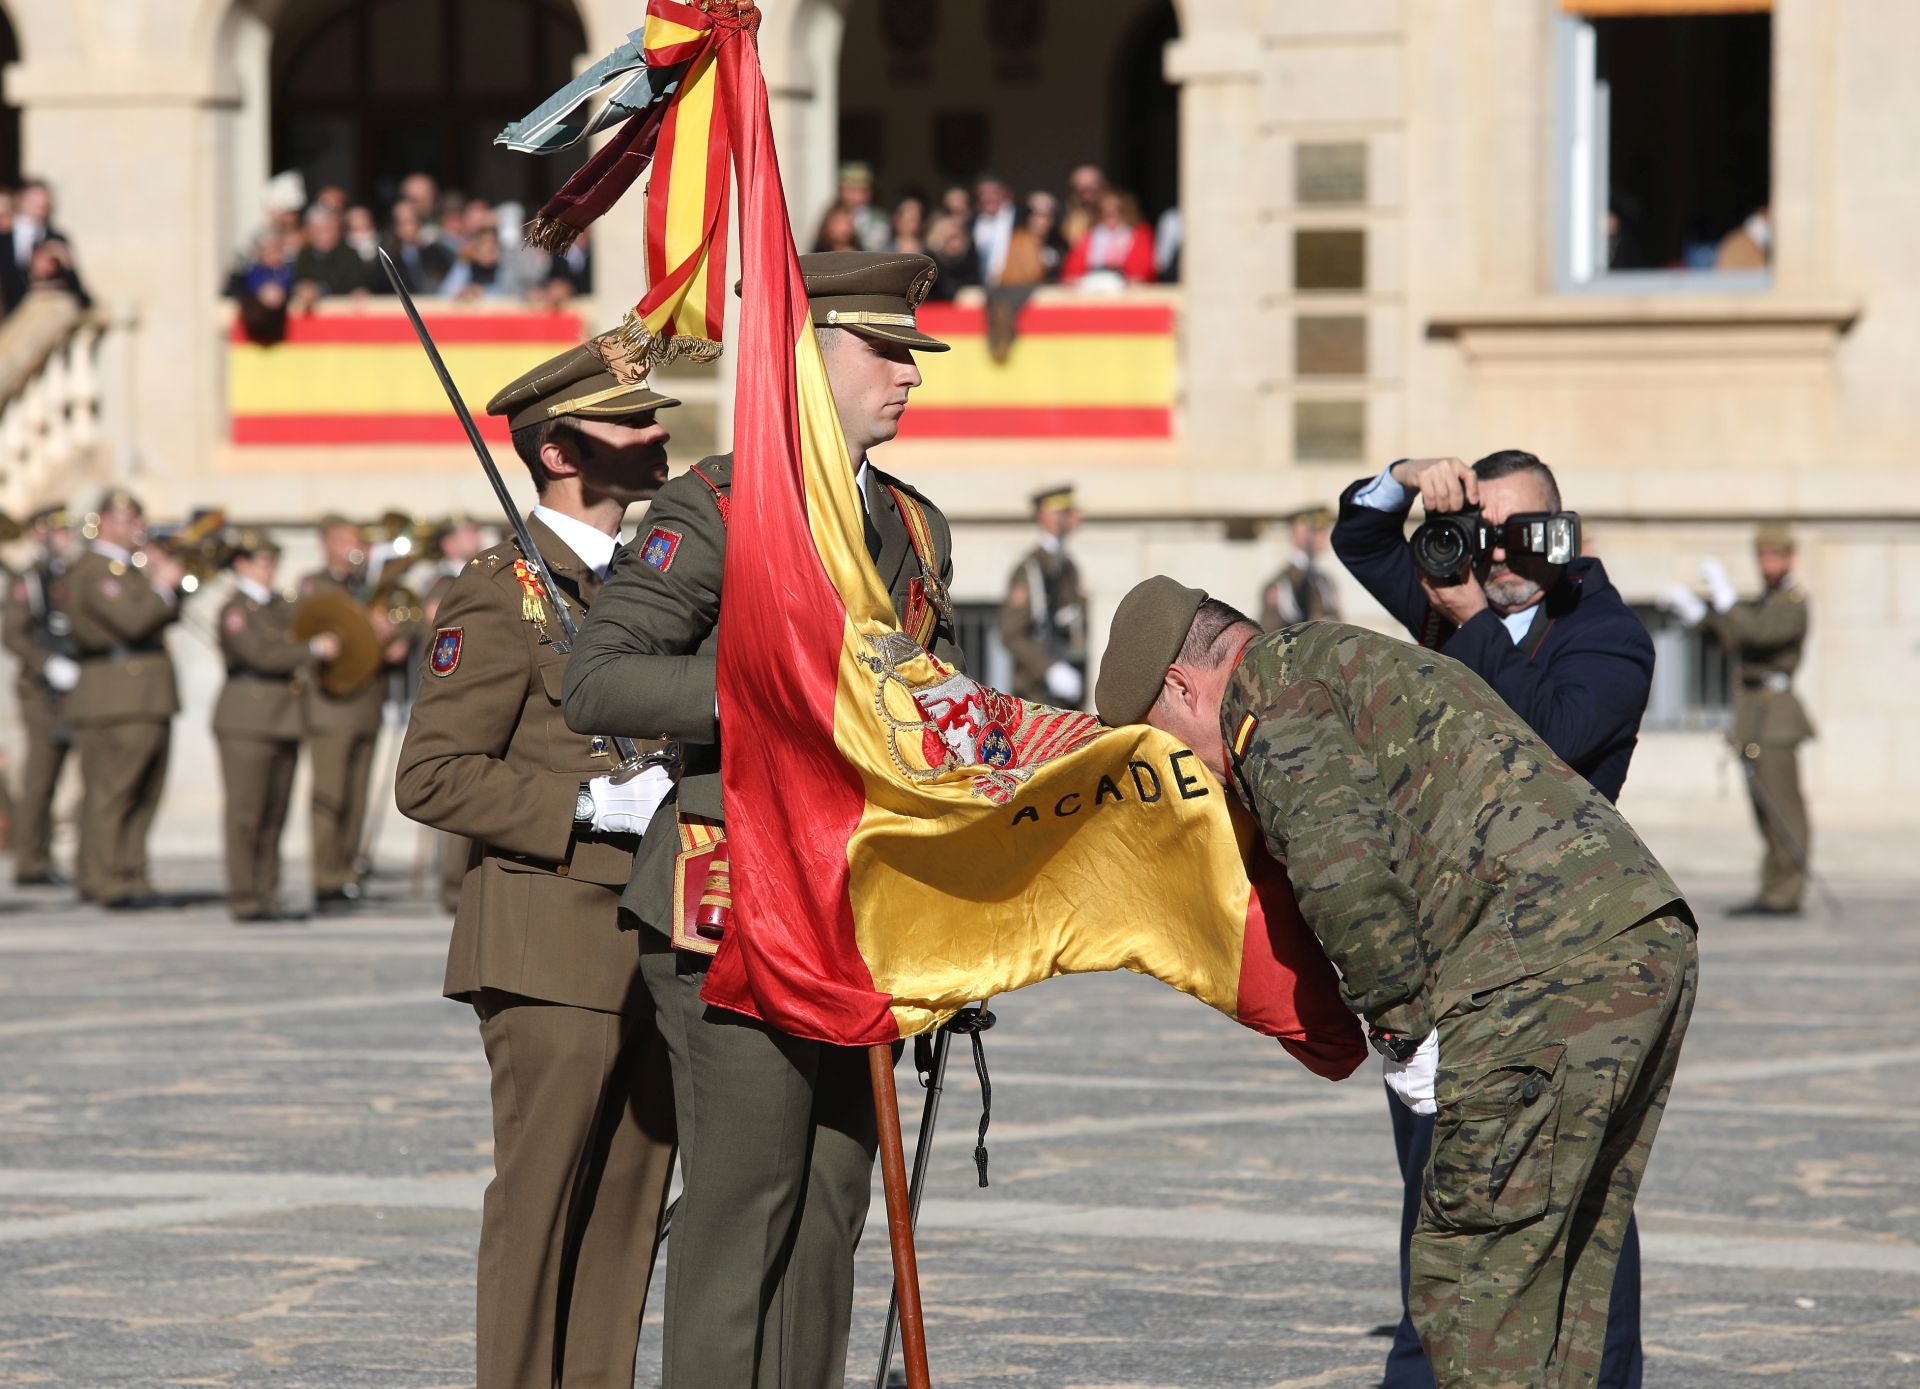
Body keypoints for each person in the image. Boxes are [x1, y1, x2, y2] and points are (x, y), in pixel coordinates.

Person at [1095, 584, 1697, 1389]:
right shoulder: (1337, 658)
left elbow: (1340, 872)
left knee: (1471, 1292)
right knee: (1558, 1285)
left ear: (1180, 685)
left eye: (1165, 740)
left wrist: (1405, 1029)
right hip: (1637, 939)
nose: (1190, 769)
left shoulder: (1268, 706)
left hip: (1536, 977)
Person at [563, 251, 960, 1389]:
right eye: (886, 353)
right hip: (732, 901)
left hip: (859, 912)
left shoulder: (915, 528)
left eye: (911, 355)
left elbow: (936, 711)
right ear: (806, 358)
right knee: (747, 1201)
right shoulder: (718, 504)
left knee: (832, 1200)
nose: (910, 378)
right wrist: (786, 684)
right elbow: (603, 680)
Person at [1332, 451, 1656, 1389]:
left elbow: (1545, 740)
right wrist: (1407, 478)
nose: (1499, 553)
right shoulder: (1453, 587)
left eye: (1523, 532)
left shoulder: (1605, 634)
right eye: (1484, 529)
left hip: (1566, 962)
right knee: (1440, 1195)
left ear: (1562, 533)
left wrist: (1472, 617)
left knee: (1581, 1196)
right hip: (1448, 962)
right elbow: (1358, 532)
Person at [395, 332, 683, 1389]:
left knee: (626, 1214)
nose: (661, 434)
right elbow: (429, 775)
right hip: (549, 942)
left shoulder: (656, 584)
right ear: (561, 451)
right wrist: (586, 802)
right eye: (634, 422)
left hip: (659, 929)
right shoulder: (496, 592)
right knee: (541, 1208)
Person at [1662, 523, 1813, 915]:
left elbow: (1759, 635)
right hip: (1756, 713)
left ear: (1789, 558)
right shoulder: (1768, 598)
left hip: (1776, 714)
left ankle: (1788, 889)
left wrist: (1726, 600)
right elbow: (1736, 638)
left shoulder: (1793, 602)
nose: (1767, 563)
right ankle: (1773, 886)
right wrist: (1703, 616)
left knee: (1782, 805)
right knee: (1764, 806)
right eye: (1762, 555)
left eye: (1774, 555)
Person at [58, 489, 186, 909]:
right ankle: (105, 877)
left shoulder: (125, 569)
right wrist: (163, 586)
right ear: (107, 522)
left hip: (143, 694)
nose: (138, 529)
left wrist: (164, 586)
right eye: (129, 520)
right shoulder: (95, 569)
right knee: (112, 792)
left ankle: (131, 871)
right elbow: (132, 622)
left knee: (144, 792)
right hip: (117, 695)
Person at [214, 529, 331, 924]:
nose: (269, 569)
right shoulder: (235, 609)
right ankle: (244, 895)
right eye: (262, 562)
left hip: (283, 718)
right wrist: (311, 650)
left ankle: (267, 891)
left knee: (274, 814)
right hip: (248, 718)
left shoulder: (280, 605)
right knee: (246, 814)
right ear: (241, 565)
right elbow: (261, 655)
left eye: (272, 562)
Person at [299, 515, 410, 912]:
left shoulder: (367, 587)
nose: (355, 547)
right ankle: (325, 877)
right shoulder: (317, 585)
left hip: (366, 705)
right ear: (325, 544)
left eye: (357, 540)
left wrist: (394, 640)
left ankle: (347, 873)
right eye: (345, 540)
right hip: (332, 706)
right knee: (331, 796)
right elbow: (325, 626)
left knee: (357, 797)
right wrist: (370, 627)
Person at [2, 504, 80, 886]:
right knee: (41, 775)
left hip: (78, 684)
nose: (66, 539)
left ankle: (54, 855)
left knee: (75, 775)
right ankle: (31, 859)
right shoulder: (29, 580)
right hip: (40, 689)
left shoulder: (70, 575)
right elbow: (13, 632)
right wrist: (45, 663)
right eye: (58, 532)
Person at [421, 517, 488, 914]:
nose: (477, 538)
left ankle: (460, 886)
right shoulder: (444, 583)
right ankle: (451, 890)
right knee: (456, 799)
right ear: (448, 543)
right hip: (455, 698)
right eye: (467, 533)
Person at [999, 484, 1087, 706]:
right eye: (1065, 512)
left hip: (1065, 695)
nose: (1074, 517)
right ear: (1046, 517)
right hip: (1034, 695)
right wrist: (1049, 669)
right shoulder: (1030, 569)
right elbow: (1011, 633)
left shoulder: (1068, 567)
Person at [1259, 507, 1340, 630]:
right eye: (1316, 530)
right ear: (1297, 532)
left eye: (1324, 530)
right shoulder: (1281, 584)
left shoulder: (1325, 581)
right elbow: (1269, 634)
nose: (1324, 535)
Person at [1061, 190, 1157, 286]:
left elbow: (1144, 270)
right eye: (1105, 211)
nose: (1111, 214)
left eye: (1117, 210)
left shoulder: (1139, 234)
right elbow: (1071, 272)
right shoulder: (1087, 236)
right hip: (1091, 288)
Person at [374, 201, 452, 295]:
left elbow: (449, 283)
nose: (410, 227)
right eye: (404, 223)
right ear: (396, 227)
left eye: (412, 222)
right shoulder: (388, 258)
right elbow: (377, 289)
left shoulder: (434, 253)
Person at [292, 207, 366, 300]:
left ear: (338, 230)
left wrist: (321, 290)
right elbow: (298, 283)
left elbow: (353, 286)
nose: (325, 235)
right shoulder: (304, 256)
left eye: (328, 229)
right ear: (309, 232)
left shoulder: (350, 255)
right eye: (319, 230)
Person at [835, 161, 892, 251]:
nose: (855, 195)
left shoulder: (879, 218)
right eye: (851, 190)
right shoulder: (833, 216)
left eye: (861, 190)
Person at [972, 175, 1017, 286]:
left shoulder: (1019, 220)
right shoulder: (973, 223)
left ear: (1005, 194)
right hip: (982, 286)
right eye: (983, 194)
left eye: (994, 193)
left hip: (1013, 286)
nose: (988, 198)